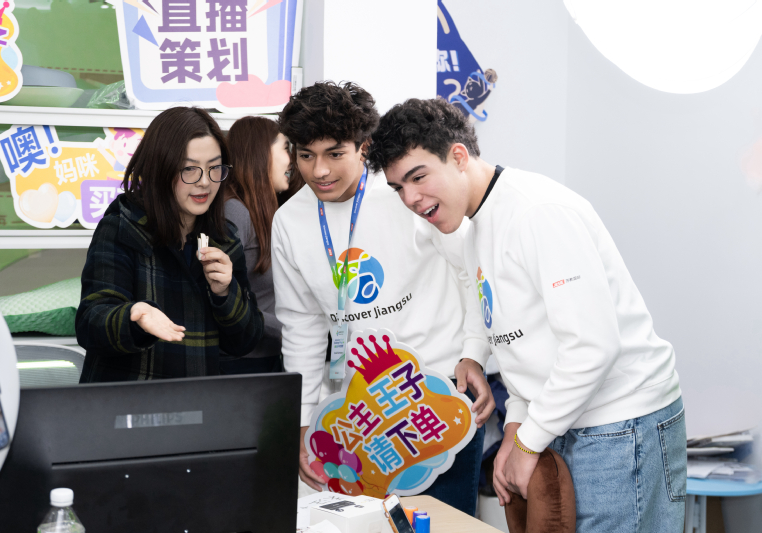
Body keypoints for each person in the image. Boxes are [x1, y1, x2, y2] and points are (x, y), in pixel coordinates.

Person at [368, 97, 686, 532]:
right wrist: (515, 428)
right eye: (398, 188)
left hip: (619, 423)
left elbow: (593, 348)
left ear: (458, 156)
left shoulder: (537, 212)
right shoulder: (477, 227)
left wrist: (527, 440)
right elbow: (517, 339)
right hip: (562, 419)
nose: (410, 198)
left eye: (418, 177)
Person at [272, 81, 495, 515]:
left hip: (439, 392)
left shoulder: (407, 194)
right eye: (306, 155)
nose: (319, 170)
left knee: (442, 523)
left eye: (334, 153)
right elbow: (301, 327)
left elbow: (472, 271)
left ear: (363, 147)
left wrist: (475, 352)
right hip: (364, 413)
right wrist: (302, 420)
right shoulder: (289, 221)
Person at [76, 107, 264, 383]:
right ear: (160, 169)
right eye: (189, 169)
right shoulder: (122, 227)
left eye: (214, 168)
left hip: (195, 399)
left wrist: (226, 293)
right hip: (127, 400)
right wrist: (133, 316)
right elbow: (90, 324)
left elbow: (245, 342)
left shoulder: (225, 239)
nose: (204, 182)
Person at [221, 116, 291, 374]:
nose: (292, 160)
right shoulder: (234, 211)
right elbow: (224, 299)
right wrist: (295, 330)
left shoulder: (260, 211)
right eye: (286, 148)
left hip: (265, 356)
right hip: (241, 365)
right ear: (261, 153)